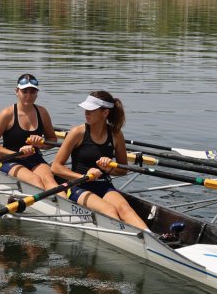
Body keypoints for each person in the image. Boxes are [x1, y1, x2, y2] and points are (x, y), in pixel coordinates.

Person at [51, 91, 148, 230]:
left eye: (91, 109)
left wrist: (109, 169)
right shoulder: (77, 133)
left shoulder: (116, 134)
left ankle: (150, 238)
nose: (86, 112)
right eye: (86, 109)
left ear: (105, 113)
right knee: (109, 210)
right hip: (78, 186)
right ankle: (131, 240)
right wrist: (83, 177)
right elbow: (55, 167)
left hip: (104, 185)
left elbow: (123, 170)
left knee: (125, 209)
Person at [0, 74, 57, 189]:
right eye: (24, 91)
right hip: (10, 159)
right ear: (17, 91)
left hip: (35, 158)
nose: (29, 95)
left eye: (32, 92)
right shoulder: (6, 114)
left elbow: (52, 140)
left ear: (37, 93)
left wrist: (41, 144)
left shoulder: (42, 112)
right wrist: (16, 154)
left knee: (51, 182)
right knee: (35, 181)